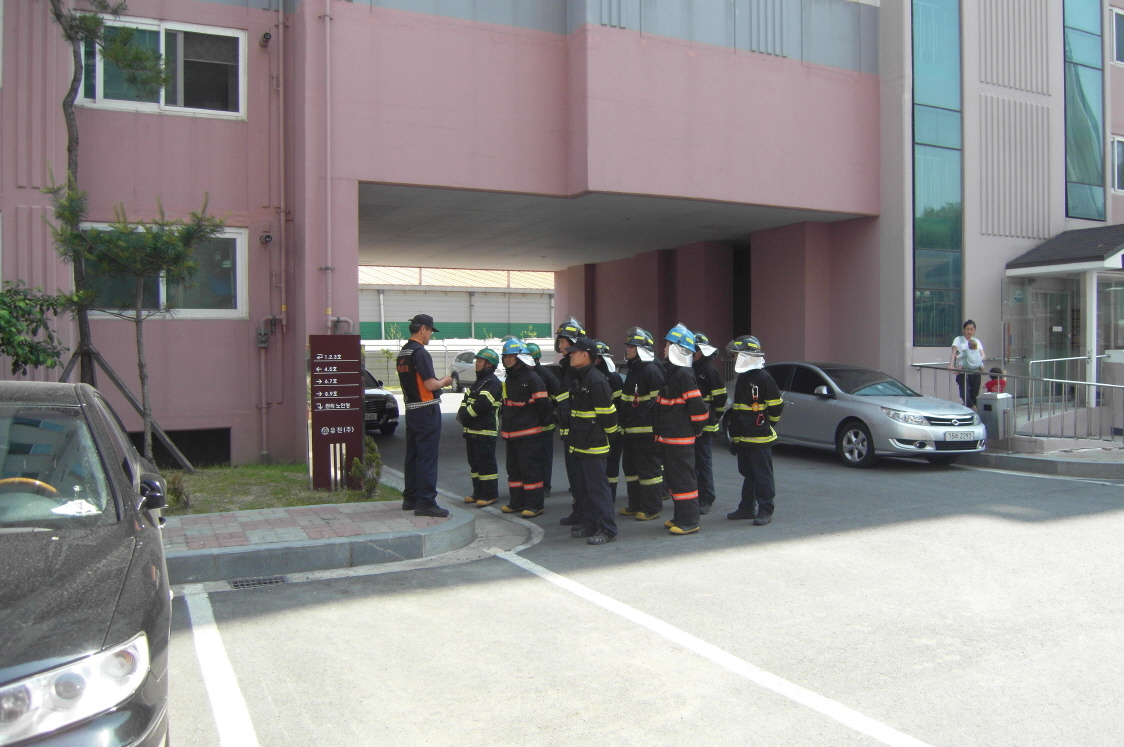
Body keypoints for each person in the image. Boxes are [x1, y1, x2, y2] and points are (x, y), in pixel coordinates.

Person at [396, 313, 454, 517]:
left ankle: (410, 498)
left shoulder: (403, 352)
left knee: (413, 455)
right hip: (426, 409)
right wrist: (445, 381)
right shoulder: (420, 352)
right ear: (423, 329)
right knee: (427, 457)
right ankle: (426, 502)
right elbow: (430, 385)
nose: (431, 335)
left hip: (411, 408)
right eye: (430, 331)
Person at [565, 337, 620, 545]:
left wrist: (609, 436)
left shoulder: (596, 380)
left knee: (598, 488)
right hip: (580, 443)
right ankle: (591, 523)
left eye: (574, 352)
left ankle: (607, 529)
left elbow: (608, 415)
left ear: (585, 354)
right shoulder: (582, 377)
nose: (570, 355)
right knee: (584, 489)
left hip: (594, 445)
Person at [655, 323, 709, 535]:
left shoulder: (683, 375)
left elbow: (699, 409)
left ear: (678, 347)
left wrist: (695, 429)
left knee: (684, 480)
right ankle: (680, 516)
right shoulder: (673, 373)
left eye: (668, 345)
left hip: (680, 439)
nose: (664, 348)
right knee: (675, 480)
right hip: (670, 438)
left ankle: (689, 521)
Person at [726, 335, 784, 526]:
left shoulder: (763, 378)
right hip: (743, 437)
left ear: (747, 355)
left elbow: (776, 407)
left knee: (762, 475)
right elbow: (738, 409)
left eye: (737, 354)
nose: (734, 358)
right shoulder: (744, 377)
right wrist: (736, 436)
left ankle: (766, 509)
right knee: (748, 473)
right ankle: (746, 508)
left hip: (759, 438)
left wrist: (766, 424)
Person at [498, 338, 552, 518]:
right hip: (512, 434)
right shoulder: (509, 378)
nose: (507, 359)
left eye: (511, 356)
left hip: (529, 434)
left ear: (520, 357)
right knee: (513, 471)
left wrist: (539, 424)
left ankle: (535, 505)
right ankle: (517, 502)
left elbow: (544, 405)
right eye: (505, 356)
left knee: (531, 471)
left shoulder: (532, 378)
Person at [618, 326, 665, 522]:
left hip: (646, 433)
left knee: (649, 472)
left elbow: (659, 404)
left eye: (631, 346)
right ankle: (635, 504)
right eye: (628, 345)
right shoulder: (634, 369)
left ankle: (652, 508)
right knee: (631, 471)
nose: (627, 348)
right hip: (630, 431)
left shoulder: (651, 370)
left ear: (642, 349)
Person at [456, 349, 503, 507]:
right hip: (471, 431)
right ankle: (478, 493)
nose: (476, 364)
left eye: (480, 361)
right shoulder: (479, 382)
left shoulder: (493, 382)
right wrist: (462, 413)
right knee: (475, 465)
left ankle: (490, 495)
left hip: (485, 431)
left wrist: (464, 416)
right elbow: (466, 400)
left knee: (486, 465)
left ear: (489, 364)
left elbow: (482, 405)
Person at [553, 316, 587, 526]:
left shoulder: (580, 367)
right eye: (560, 340)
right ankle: (579, 510)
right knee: (574, 474)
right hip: (570, 428)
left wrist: (566, 405)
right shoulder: (567, 365)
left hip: (581, 429)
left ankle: (586, 513)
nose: (560, 344)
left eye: (564, 340)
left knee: (582, 475)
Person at [691, 332, 727, 515]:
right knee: (692, 464)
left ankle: (706, 497)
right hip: (691, 426)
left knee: (702, 463)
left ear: (700, 351)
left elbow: (720, 400)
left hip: (705, 427)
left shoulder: (709, 371)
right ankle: (695, 497)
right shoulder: (691, 369)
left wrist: (713, 417)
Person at [527, 341, 560, 498]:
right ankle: (533, 484)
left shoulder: (546, 375)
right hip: (529, 424)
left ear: (536, 359)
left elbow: (558, 396)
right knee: (531, 457)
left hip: (544, 424)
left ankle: (545, 485)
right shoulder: (525, 374)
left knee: (544, 457)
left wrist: (550, 413)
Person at [594, 340, 624, 500]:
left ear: (599, 359)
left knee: (611, 464)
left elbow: (619, 405)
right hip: (597, 429)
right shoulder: (592, 377)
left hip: (613, 430)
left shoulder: (613, 379)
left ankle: (609, 495)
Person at [949, 320, 985, 409]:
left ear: (974, 330)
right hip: (963, 370)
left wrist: (978, 361)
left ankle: (972, 413)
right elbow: (954, 353)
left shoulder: (976, 341)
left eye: (971, 329)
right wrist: (951, 365)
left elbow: (982, 354)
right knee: (964, 394)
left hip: (975, 371)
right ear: (964, 330)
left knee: (974, 394)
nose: (969, 331)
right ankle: (975, 410)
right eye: (967, 329)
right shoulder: (958, 339)